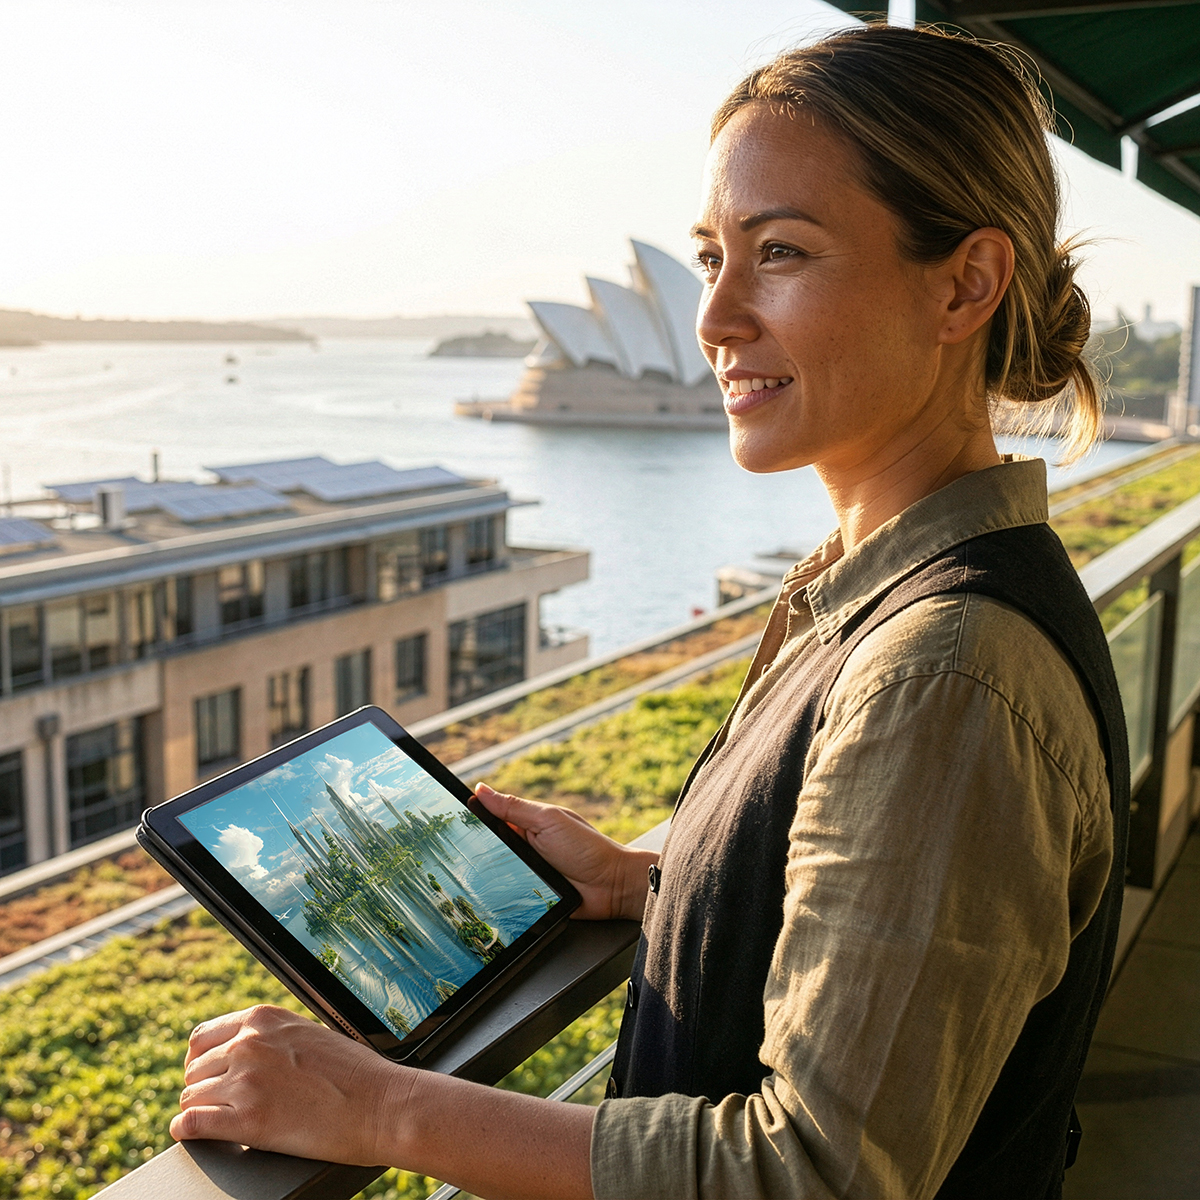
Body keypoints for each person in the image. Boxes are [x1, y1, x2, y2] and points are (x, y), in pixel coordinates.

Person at [170, 24, 1129, 1200]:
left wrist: (372, 1104)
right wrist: (648, 882)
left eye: (781, 252)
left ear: (965, 284)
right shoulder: (904, 591)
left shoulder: (944, 673)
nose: (713, 318)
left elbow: (816, 1175)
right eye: (711, 257)